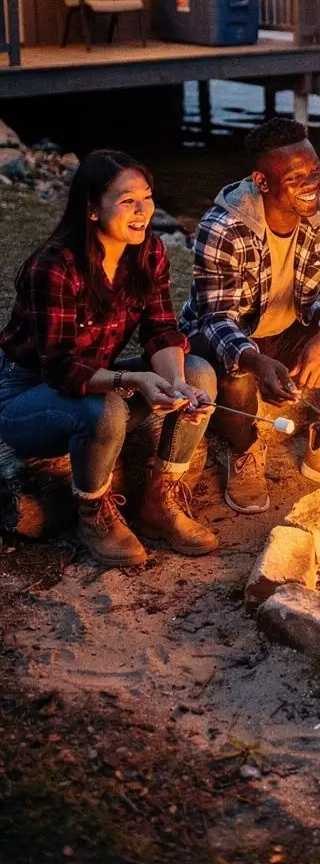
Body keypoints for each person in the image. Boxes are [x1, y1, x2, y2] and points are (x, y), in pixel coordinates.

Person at [0, 151, 218, 567]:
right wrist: (131, 381)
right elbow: (60, 367)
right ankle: (92, 512)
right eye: (126, 200)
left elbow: (160, 331)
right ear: (92, 209)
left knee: (199, 372)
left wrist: (176, 384)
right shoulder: (55, 266)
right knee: (107, 407)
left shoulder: (149, 251)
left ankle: (159, 498)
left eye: (147, 197)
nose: (142, 211)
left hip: (95, 382)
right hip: (27, 396)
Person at [180, 117, 320, 511]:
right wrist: (258, 364)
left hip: (289, 329)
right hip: (223, 339)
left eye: (314, 170)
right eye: (296, 177)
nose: (312, 182)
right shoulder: (223, 228)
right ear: (262, 182)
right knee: (236, 375)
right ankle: (244, 451)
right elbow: (218, 322)